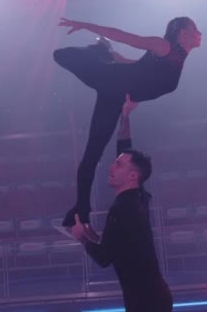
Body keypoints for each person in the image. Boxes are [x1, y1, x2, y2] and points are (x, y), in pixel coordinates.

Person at [54, 17, 202, 234]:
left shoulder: (176, 60)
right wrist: (86, 25)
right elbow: (122, 35)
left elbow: (138, 68)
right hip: (110, 80)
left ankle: (81, 209)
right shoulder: (163, 46)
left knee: (92, 155)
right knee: (61, 55)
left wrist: (117, 58)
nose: (200, 33)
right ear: (182, 33)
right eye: (195, 29)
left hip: (114, 96)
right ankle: (100, 52)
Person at [70, 95, 173, 312]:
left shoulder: (122, 208)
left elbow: (105, 258)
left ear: (133, 175)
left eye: (118, 165)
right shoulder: (139, 196)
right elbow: (119, 247)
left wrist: (82, 238)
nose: (111, 167)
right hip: (153, 297)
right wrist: (125, 116)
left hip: (145, 302)